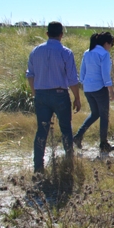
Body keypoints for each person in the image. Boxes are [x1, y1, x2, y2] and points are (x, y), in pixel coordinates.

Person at [26, 21, 81, 173]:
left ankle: (38, 167)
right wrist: (77, 98)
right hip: (59, 94)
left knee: (41, 131)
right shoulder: (66, 52)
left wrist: (35, 92)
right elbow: (72, 79)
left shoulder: (35, 51)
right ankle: (69, 161)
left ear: (47, 34)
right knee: (65, 129)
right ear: (61, 35)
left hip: (41, 94)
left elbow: (30, 75)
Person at [73, 32, 114, 153]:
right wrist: (111, 90)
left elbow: (82, 71)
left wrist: (83, 83)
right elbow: (105, 74)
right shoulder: (104, 54)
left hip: (88, 88)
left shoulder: (87, 52)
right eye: (111, 45)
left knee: (95, 114)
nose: (110, 47)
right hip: (99, 88)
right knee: (104, 116)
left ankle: (78, 136)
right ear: (106, 43)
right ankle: (103, 144)